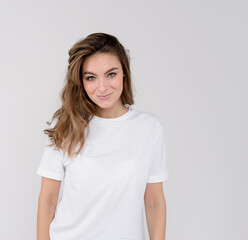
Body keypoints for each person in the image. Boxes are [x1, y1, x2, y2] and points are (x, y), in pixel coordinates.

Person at [36, 32, 169, 240]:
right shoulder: (65, 125)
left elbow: (154, 201)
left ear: (124, 72)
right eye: (91, 77)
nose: (102, 87)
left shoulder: (149, 128)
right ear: (80, 81)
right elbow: (48, 200)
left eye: (111, 74)